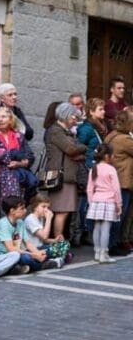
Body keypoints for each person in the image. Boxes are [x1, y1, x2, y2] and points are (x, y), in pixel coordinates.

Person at [44, 102, 87, 240]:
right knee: (61, 212)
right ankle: (58, 243)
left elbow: (73, 150)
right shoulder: (56, 131)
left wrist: (77, 149)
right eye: (74, 117)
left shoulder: (65, 132)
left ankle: (59, 241)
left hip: (67, 176)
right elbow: (71, 149)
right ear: (66, 115)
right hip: (61, 177)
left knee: (64, 212)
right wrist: (83, 147)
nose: (75, 120)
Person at [0, 106, 37, 206]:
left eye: (4, 116)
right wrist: (16, 155)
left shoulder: (18, 135)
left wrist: (19, 163)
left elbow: (30, 156)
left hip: (19, 174)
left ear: (11, 119)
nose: (0, 119)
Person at [75, 97, 106, 245]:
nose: (104, 112)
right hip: (88, 166)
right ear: (91, 112)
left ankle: (88, 230)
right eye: (100, 109)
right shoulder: (87, 128)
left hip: (96, 166)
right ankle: (84, 231)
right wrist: (90, 155)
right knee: (86, 201)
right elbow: (79, 146)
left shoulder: (99, 126)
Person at [0, 197, 53, 272]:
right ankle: (45, 264)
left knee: (49, 250)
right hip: (7, 255)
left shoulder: (20, 222)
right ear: (12, 211)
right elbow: (11, 249)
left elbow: (28, 244)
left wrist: (38, 253)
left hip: (22, 251)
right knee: (27, 258)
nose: (25, 211)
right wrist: (33, 255)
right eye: (22, 208)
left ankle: (30, 266)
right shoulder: (3, 224)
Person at [87, 143, 123, 263]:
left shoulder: (94, 168)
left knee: (97, 227)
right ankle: (104, 254)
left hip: (96, 200)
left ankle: (97, 252)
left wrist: (91, 201)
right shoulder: (111, 169)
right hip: (109, 201)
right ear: (107, 156)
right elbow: (116, 189)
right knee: (106, 229)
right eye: (112, 155)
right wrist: (119, 204)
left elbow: (89, 188)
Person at [106, 110, 133, 256]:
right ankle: (113, 244)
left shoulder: (111, 135)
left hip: (116, 179)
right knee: (119, 215)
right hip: (123, 180)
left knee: (117, 214)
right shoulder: (124, 139)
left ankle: (115, 242)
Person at [23, 195, 69, 267]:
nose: (46, 210)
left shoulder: (40, 218)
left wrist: (55, 240)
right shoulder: (31, 219)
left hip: (41, 246)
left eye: (48, 207)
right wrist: (48, 219)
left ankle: (54, 260)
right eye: (43, 206)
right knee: (60, 250)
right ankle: (55, 260)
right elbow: (44, 236)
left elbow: (43, 239)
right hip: (33, 249)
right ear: (35, 207)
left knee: (65, 244)